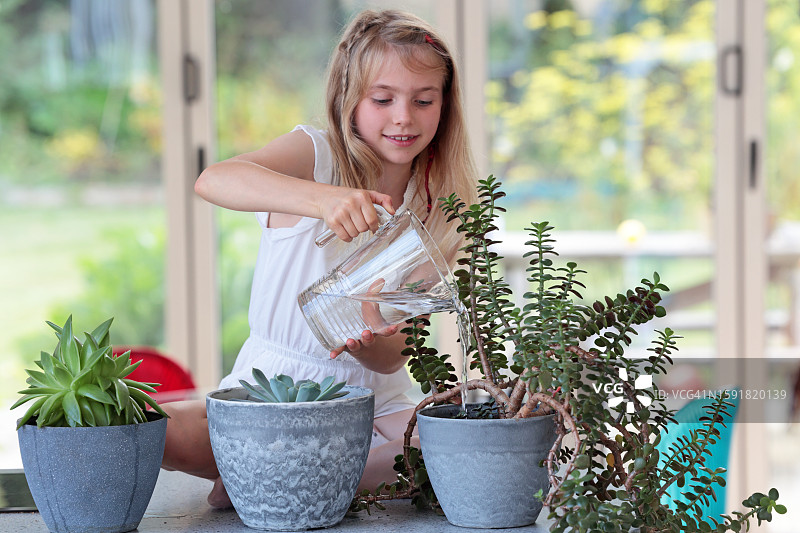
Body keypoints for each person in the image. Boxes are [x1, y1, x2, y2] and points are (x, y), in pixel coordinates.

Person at [161, 8, 478, 508]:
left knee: (444, 444)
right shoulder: (318, 154)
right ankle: (302, 477)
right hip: (273, 395)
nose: (404, 117)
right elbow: (214, 179)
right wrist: (323, 199)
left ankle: (270, 480)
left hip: (376, 402)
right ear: (348, 98)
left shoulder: (440, 205)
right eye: (383, 99)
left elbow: (398, 355)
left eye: (424, 100)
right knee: (163, 434)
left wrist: (369, 339)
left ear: (445, 105)